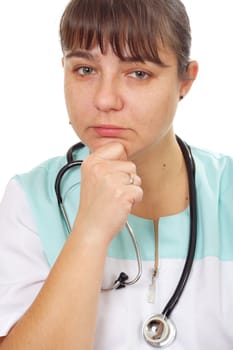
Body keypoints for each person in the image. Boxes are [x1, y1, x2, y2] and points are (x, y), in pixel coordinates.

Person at [0, 0, 233, 349]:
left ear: (185, 81)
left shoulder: (226, 193)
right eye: (85, 70)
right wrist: (90, 232)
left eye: (138, 73)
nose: (105, 100)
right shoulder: (31, 201)